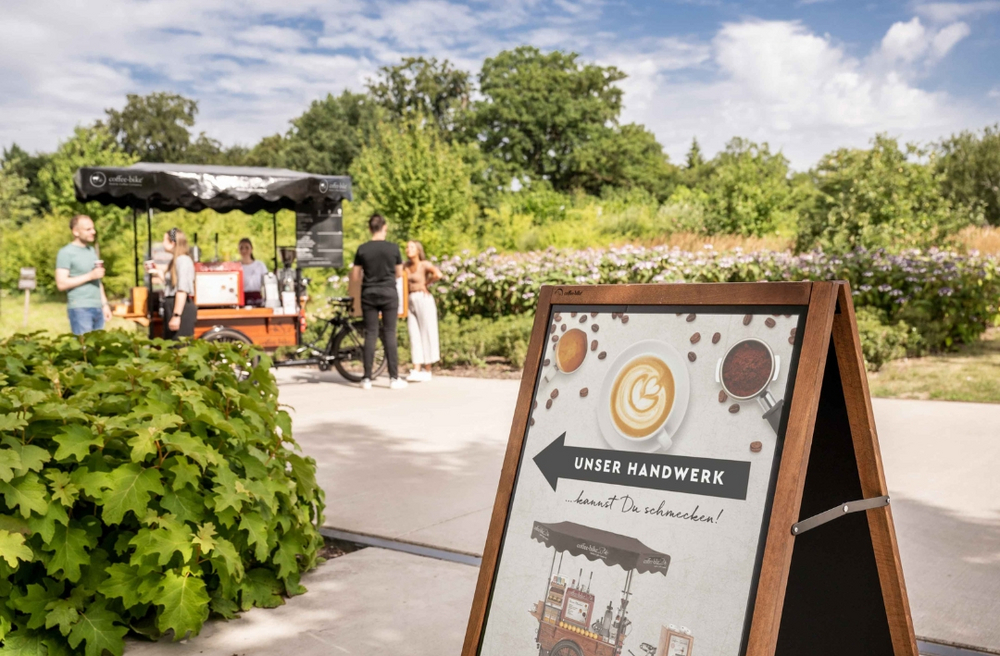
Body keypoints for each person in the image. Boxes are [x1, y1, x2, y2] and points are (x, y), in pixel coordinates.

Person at [351, 214, 406, 390]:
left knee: (371, 334)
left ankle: (366, 378)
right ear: (385, 227)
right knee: (389, 333)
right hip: (389, 292)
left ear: (369, 229)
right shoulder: (393, 248)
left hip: (369, 293)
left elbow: (355, 276)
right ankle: (394, 378)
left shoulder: (362, 249)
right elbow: (399, 273)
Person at [55, 214, 112, 335]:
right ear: (76, 232)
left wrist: (105, 305)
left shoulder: (91, 251)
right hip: (80, 308)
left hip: (98, 307)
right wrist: (90, 276)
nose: (93, 232)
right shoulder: (66, 253)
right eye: (88, 229)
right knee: (84, 349)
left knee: (98, 350)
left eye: (93, 228)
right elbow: (61, 283)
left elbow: (97, 281)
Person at [404, 241, 443, 382]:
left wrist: (426, 284)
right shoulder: (405, 266)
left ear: (418, 250)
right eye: (407, 247)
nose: (408, 249)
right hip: (410, 299)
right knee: (414, 333)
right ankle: (416, 368)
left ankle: (428, 369)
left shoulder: (424, 264)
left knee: (427, 332)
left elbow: (438, 274)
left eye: (411, 247)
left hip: (423, 298)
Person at [147, 228, 196, 339]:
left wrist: (176, 315)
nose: (163, 243)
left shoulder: (182, 260)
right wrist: (157, 271)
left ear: (172, 242)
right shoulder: (176, 260)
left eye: (165, 240)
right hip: (173, 305)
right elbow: (173, 284)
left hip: (179, 306)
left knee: (179, 345)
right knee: (171, 345)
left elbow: (182, 290)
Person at [237, 237, 268, 306]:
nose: (244, 250)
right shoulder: (236, 266)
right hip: (242, 298)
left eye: (247, 248)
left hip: (257, 298)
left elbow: (266, 282)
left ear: (251, 249)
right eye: (241, 248)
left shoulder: (260, 265)